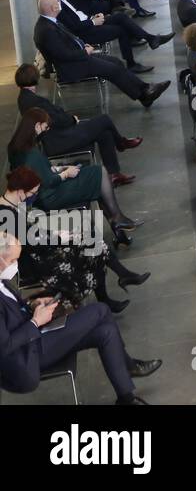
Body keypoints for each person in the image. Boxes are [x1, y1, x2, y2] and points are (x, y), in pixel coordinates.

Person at [0, 231, 160, 404]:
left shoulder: (2, 281)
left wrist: (31, 305)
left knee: (105, 332)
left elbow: (10, 315)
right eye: (12, 261)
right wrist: (36, 321)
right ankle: (128, 366)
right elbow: (4, 346)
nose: (15, 266)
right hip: (23, 361)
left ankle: (127, 398)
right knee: (100, 310)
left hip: (33, 340)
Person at [1, 167, 148, 313]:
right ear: (21, 192)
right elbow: (28, 242)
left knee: (92, 242)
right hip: (32, 262)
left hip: (41, 248)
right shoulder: (5, 213)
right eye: (33, 193)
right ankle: (117, 282)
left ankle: (119, 280)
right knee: (92, 248)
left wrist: (55, 233)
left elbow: (30, 234)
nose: (34, 196)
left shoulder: (12, 205)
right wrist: (58, 237)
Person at [8, 108, 137, 243]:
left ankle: (117, 225)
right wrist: (65, 174)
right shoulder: (31, 153)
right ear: (37, 126)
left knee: (97, 178)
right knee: (99, 173)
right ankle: (117, 219)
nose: (46, 131)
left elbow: (39, 170)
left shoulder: (16, 147)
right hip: (50, 195)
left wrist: (61, 168)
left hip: (42, 193)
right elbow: (48, 181)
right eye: (45, 127)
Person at [13, 63, 141, 186]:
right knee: (104, 120)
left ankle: (114, 174)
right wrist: (72, 119)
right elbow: (55, 119)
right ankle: (120, 143)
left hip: (57, 137)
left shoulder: (24, 98)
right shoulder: (33, 100)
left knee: (105, 132)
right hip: (60, 140)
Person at [33, 0, 169, 106]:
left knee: (116, 62)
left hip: (79, 58)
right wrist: (84, 52)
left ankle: (144, 90)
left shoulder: (50, 22)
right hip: (71, 67)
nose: (59, 4)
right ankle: (144, 95)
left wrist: (83, 45)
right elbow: (62, 55)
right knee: (112, 69)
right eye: (57, 3)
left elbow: (68, 41)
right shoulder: (46, 30)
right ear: (53, 7)